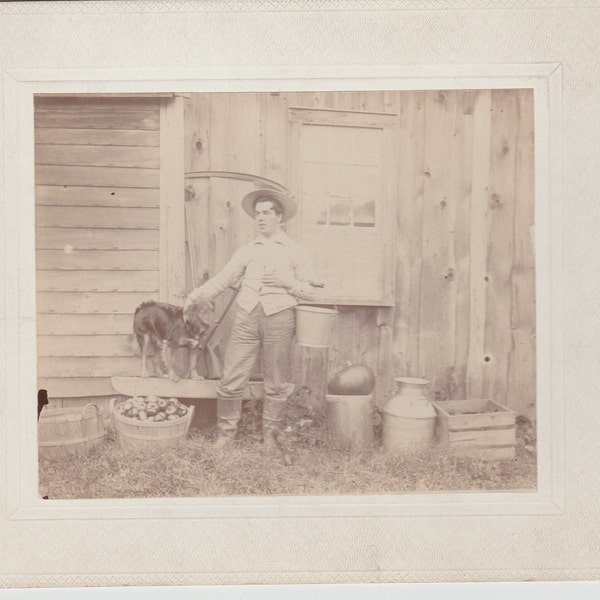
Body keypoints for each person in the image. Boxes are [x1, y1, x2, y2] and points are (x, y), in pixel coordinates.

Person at [184, 189, 317, 450]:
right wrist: (195, 296)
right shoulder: (247, 250)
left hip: (279, 317)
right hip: (246, 316)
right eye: (258, 214)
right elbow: (222, 280)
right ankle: (225, 434)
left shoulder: (295, 251)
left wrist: (287, 282)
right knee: (231, 376)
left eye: (267, 212)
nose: (261, 218)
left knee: (277, 381)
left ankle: (271, 438)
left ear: (280, 217)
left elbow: (311, 291)